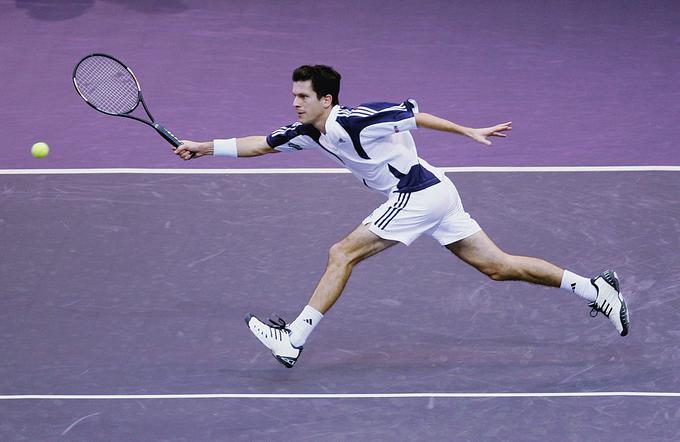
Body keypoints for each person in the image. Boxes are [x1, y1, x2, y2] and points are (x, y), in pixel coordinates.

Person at [174, 65, 629, 368]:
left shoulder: (357, 119)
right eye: (293, 95)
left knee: (341, 253)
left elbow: (415, 116)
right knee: (498, 267)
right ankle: (596, 288)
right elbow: (260, 143)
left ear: (326, 99)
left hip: (417, 192)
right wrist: (204, 146)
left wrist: (466, 129)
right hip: (438, 192)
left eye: (303, 96)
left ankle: (292, 340)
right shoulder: (306, 132)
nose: (295, 103)